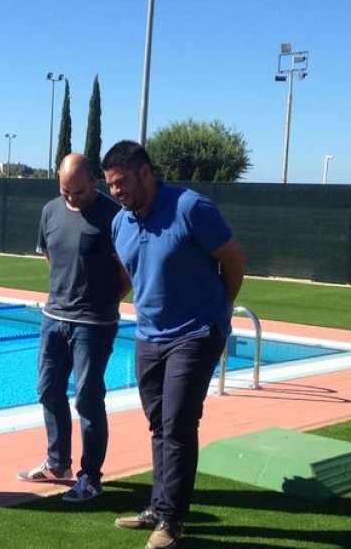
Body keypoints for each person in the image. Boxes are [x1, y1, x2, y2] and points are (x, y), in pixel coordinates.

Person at [101, 140, 245, 549]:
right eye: (111, 186)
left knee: (179, 423)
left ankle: (172, 521)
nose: (116, 192)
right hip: (149, 336)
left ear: (146, 172)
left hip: (196, 332)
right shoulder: (121, 222)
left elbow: (234, 259)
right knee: (159, 423)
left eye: (122, 182)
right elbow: (131, 274)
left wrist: (223, 306)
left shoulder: (190, 208)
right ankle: (158, 507)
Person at [17, 153, 131, 502]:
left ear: (94, 181)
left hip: (94, 324)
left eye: (78, 192)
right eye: (66, 191)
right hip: (54, 317)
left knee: (88, 399)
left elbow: (128, 272)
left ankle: (91, 477)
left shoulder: (114, 216)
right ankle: (58, 463)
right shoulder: (51, 210)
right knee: (48, 390)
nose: (72, 198)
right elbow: (51, 257)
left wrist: (102, 302)